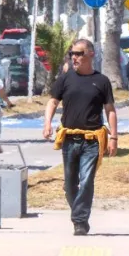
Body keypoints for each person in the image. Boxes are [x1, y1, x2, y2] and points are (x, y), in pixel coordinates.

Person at [42, 39, 119, 236]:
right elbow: (52, 102)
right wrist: (47, 123)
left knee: (86, 181)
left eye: (79, 53)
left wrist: (114, 137)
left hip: (92, 140)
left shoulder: (101, 81)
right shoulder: (66, 79)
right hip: (69, 138)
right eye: (72, 54)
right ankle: (80, 215)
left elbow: (110, 110)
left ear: (91, 54)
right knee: (69, 184)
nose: (74, 57)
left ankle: (79, 220)